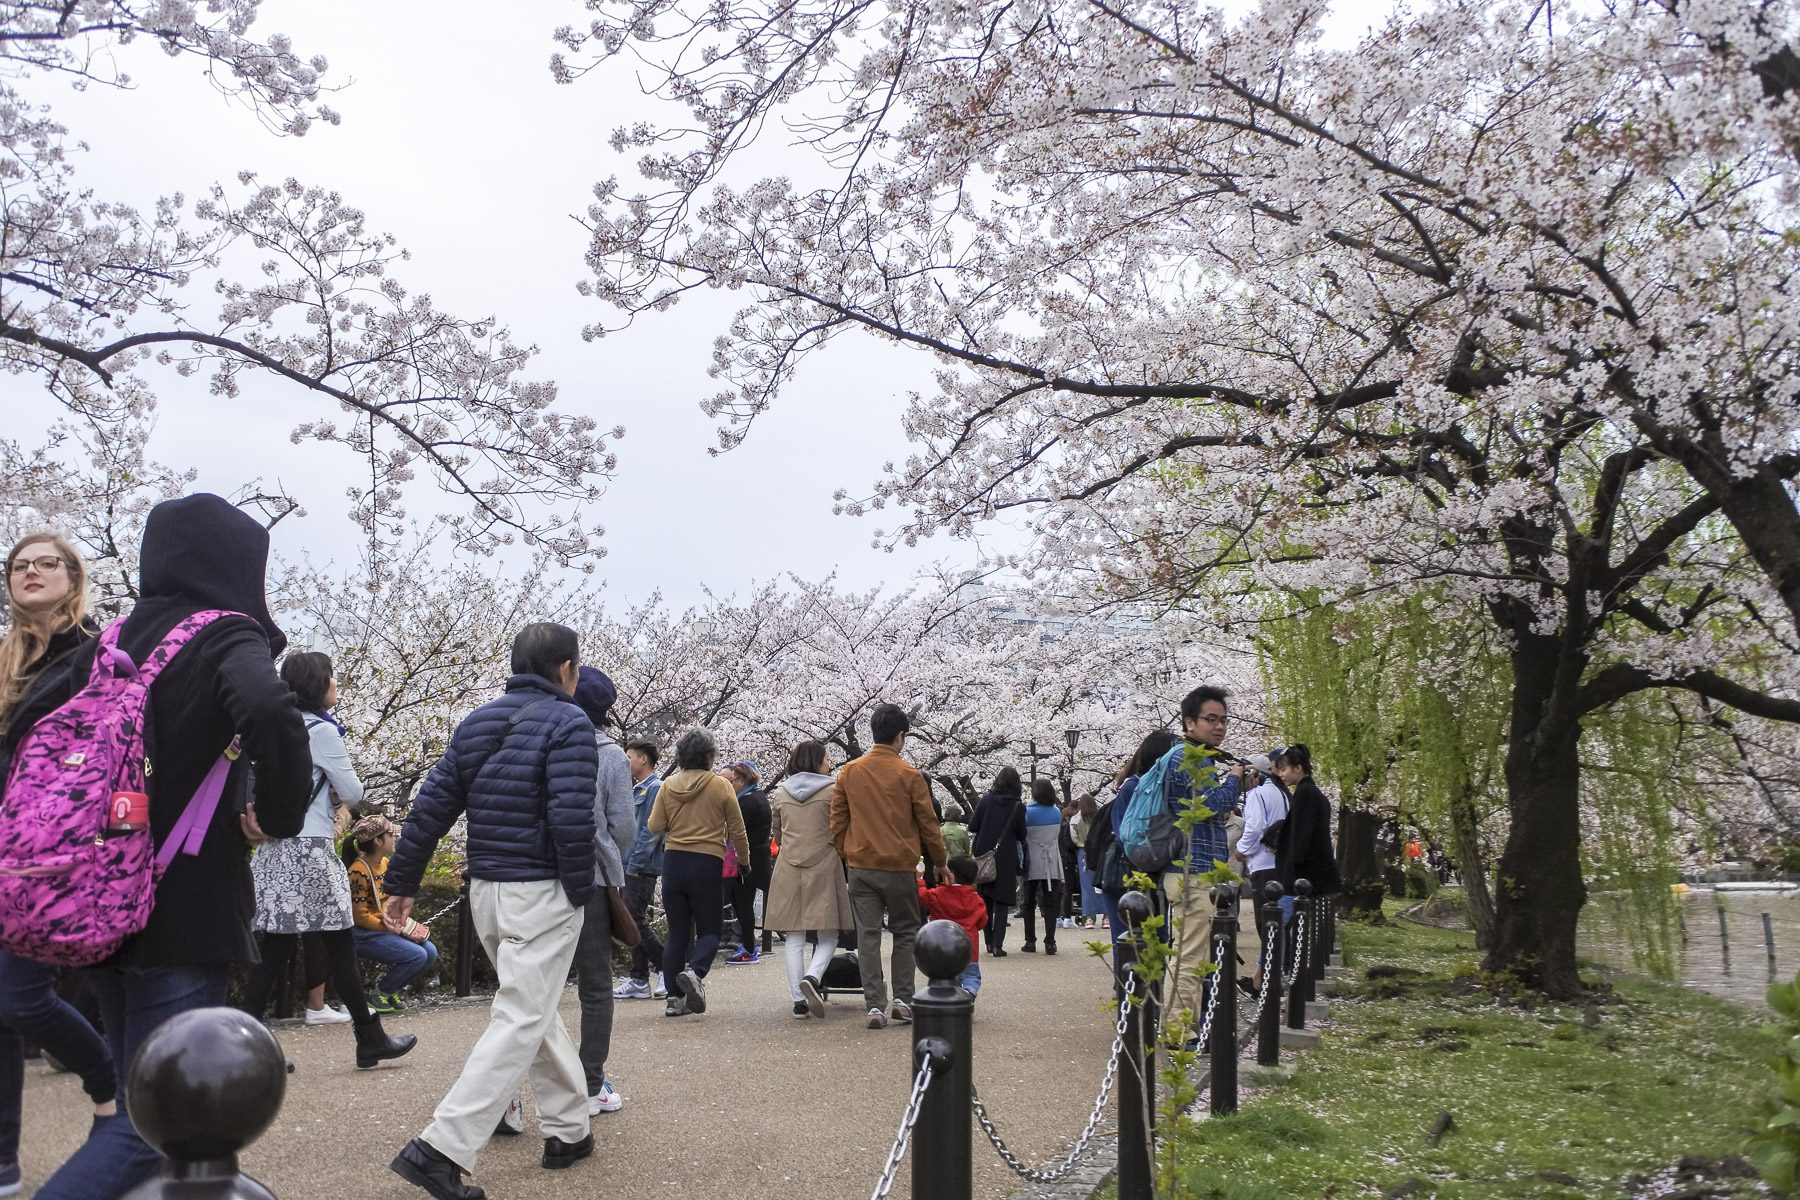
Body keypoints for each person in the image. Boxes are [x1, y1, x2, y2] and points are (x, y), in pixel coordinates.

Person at [34, 494, 315, 1200]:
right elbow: (274, 709)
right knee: (160, 1125)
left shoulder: (110, 640)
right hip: (182, 908)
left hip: (99, 903)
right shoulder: (224, 633)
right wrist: (277, 813)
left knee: (142, 1100)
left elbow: (33, 733)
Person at [385, 622, 599, 1200]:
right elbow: (572, 818)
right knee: (523, 1015)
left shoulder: (477, 721)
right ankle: (441, 1148)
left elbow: (432, 804)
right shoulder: (570, 722)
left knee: (533, 1007)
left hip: (486, 891)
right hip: (543, 889)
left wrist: (402, 879)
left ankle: (568, 1127)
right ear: (568, 669)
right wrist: (582, 890)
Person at [0, 534, 116, 1198]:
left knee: (19, 998)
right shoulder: (6, 659)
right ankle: (4, 1166)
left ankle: (108, 1089)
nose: (32, 572)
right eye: (20, 565)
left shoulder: (94, 654)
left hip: (52, 855)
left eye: (47, 563)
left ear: (72, 579)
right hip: (2, 846)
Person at [239, 651, 417, 1071]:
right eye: (331, 677)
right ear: (318, 684)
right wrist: (335, 792)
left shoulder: (271, 728)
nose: (336, 684)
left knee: (274, 952)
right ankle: (368, 1039)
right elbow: (353, 793)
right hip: (312, 851)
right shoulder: (321, 731)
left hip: (274, 852)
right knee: (340, 946)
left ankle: (242, 1046)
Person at [830, 703, 950, 1030]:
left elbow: (837, 822)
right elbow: (929, 825)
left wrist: (848, 853)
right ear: (900, 736)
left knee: (867, 936)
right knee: (906, 932)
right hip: (899, 866)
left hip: (861, 865)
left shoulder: (849, 772)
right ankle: (903, 1000)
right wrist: (939, 862)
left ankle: (873, 1006)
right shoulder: (910, 775)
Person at [1159, 684, 1245, 1050]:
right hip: (1190, 870)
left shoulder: (1197, 757)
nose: (1220, 727)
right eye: (1211, 719)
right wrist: (1236, 779)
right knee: (1188, 955)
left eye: (1223, 720)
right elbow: (1213, 804)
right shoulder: (1186, 758)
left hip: (1196, 870)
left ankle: (1189, 1029)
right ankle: (1179, 1033)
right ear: (1189, 721)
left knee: (1193, 953)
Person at [569, 667, 637, 1116]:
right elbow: (625, 826)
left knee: (528, 993)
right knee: (596, 987)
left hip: (529, 881)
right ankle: (590, 1083)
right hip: (589, 881)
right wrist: (613, 860)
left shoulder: (534, 738)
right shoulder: (608, 753)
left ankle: (506, 1096)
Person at [646, 727, 750, 1018]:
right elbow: (737, 830)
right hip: (706, 863)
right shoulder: (720, 785)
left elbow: (654, 826)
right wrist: (744, 860)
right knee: (710, 931)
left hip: (674, 863)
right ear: (709, 756)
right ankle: (696, 971)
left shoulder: (667, 785)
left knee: (678, 933)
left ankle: (674, 999)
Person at [762, 740, 853, 1019]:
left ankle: (798, 1000)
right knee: (829, 932)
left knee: (794, 934)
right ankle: (813, 977)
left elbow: (777, 833)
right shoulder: (833, 790)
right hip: (824, 863)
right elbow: (840, 828)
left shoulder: (780, 793)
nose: (829, 764)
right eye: (826, 759)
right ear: (816, 761)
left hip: (789, 866)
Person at [1091, 730, 1181, 955]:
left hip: (1150, 871)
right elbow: (1127, 835)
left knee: (1155, 937)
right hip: (1127, 871)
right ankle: (1127, 987)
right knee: (1128, 938)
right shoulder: (1133, 787)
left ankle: (1148, 987)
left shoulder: (1158, 787)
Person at [343, 816, 440, 1006]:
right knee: (417, 955)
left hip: (383, 927)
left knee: (430, 951)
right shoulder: (358, 871)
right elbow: (359, 916)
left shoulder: (385, 863)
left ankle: (391, 991)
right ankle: (380, 994)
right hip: (363, 933)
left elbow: (388, 901)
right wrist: (395, 928)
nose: (395, 838)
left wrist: (404, 925)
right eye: (390, 835)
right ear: (378, 841)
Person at [612, 740, 667, 1000]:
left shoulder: (655, 788)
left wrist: (635, 862)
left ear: (643, 759)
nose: (626, 761)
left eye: (629, 756)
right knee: (632, 920)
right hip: (629, 864)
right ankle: (639, 977)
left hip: (640, 866)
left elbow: (651, 831)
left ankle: (666, 966)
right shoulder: (638, 789)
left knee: (633, 920)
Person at [1235, 749, 1290, 990]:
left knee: (1265, 924)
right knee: (1277, 924)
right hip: (1280, 864)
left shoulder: (1258, 794)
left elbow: (1255, 827)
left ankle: (1265, 982)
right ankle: (1271, 978)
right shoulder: (1283, 793)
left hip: (1263, 865)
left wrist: (1241, 849)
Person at [968, 767, 1026, 956]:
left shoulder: (985, 800)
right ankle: (997, 945)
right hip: (1006, 856)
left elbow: (973, 825)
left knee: (985, 900)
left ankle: (988, 941)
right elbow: (1021, 834)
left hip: (984, 854)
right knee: (1001, 902)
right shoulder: (1018, 806)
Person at [722, 760, 771, 964]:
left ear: (742, 780)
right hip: (757, 860)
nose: (730, 786)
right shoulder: (758, 797)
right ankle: (749, 947)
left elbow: (735, 831)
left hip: (747, 863)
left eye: (732, 781)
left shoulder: (747, 802)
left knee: (743, 905)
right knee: (744, 905)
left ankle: (749, 949)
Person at [917, 856, 986, 997]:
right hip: (969, 948)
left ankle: (950, 999)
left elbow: (922, 895)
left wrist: (920, 880)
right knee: (971, 975)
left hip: (944, 949)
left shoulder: (939, 894)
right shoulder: (976, 899)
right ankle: (969, 991)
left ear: (950, 875)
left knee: (948, 976)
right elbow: (982, 921)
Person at [1019, 779, 1066, 954]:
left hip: (1032, 860)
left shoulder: (1027, 813)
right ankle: (1050, 941)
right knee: (1050, 903)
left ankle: (1030, 941)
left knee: (1029, 903)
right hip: (1052, 860)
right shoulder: (1056, 812)